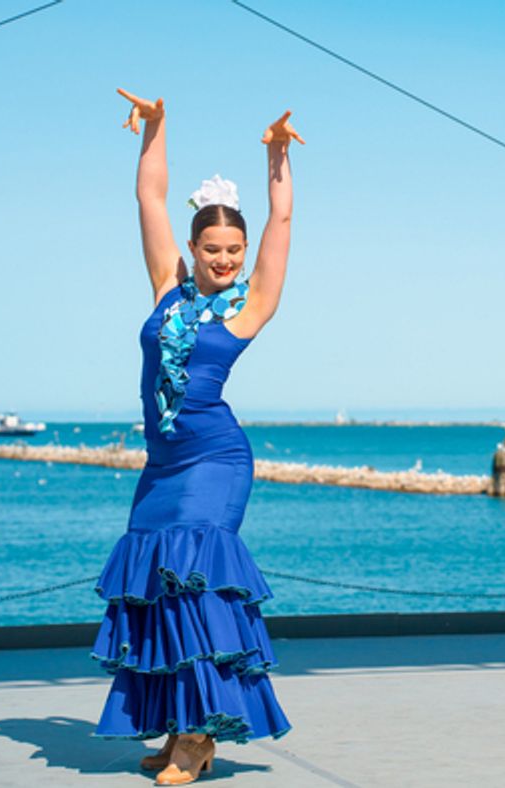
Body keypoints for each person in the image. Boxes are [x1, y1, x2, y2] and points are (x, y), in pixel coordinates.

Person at [90, 88, 302, 785]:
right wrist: (156, 127)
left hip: (215, 459)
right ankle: (179, 721)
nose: (225, 261)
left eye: (234, 251)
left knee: (197, 587)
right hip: (162, 466)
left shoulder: (252, 305)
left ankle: (197, 735)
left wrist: (276, 155)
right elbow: (150, 197)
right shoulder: (167, 288)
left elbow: (282, 218)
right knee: (157, 588)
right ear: (193, 247)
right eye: (213, 250)